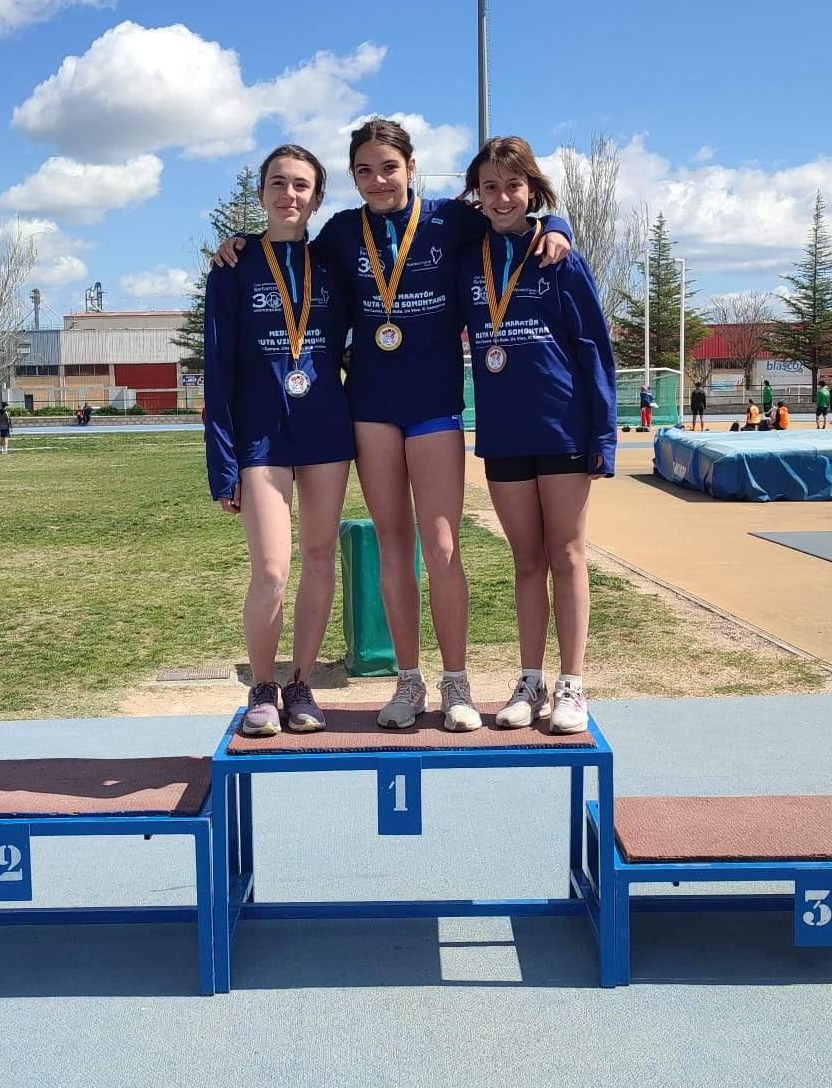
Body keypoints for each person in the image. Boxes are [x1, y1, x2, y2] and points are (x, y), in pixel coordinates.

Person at [213, 118, 571, 731]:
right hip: (370, 409)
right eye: (364, 171)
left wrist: (558, 225)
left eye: (389, 168)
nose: (378, 180)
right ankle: (409, 681)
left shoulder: (448, 220)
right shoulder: (340, 234)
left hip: (434, 407)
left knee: (441, 544)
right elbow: (285, 253)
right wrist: (237, 244)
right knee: (392, 545)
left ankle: (455, 684)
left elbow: (515, 213)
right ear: (350, 179)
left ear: (411, 167)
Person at [454, 137, 615, 735]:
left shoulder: (558, 256)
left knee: (567, 553)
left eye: (513, 186)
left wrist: (604, 433)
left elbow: (595, 346)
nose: (501, 198)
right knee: (526, 560)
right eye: (489, 187)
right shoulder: (468, 257)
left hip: (564, 424)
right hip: (503, 432)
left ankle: (572, 684)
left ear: (533, 190)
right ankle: (530, 678)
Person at [203, 145, 355, 737]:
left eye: (301, 186)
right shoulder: (232, 267)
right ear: (262, 193)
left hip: (325, 429)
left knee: (320, 559)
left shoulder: (336, 264)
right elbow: (218, 370)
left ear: (317, 198)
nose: (289, 195)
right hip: (260, 438)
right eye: (277, 183)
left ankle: (302, 683)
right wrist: (223, 463)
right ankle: (262, 687)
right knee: (270, 567)